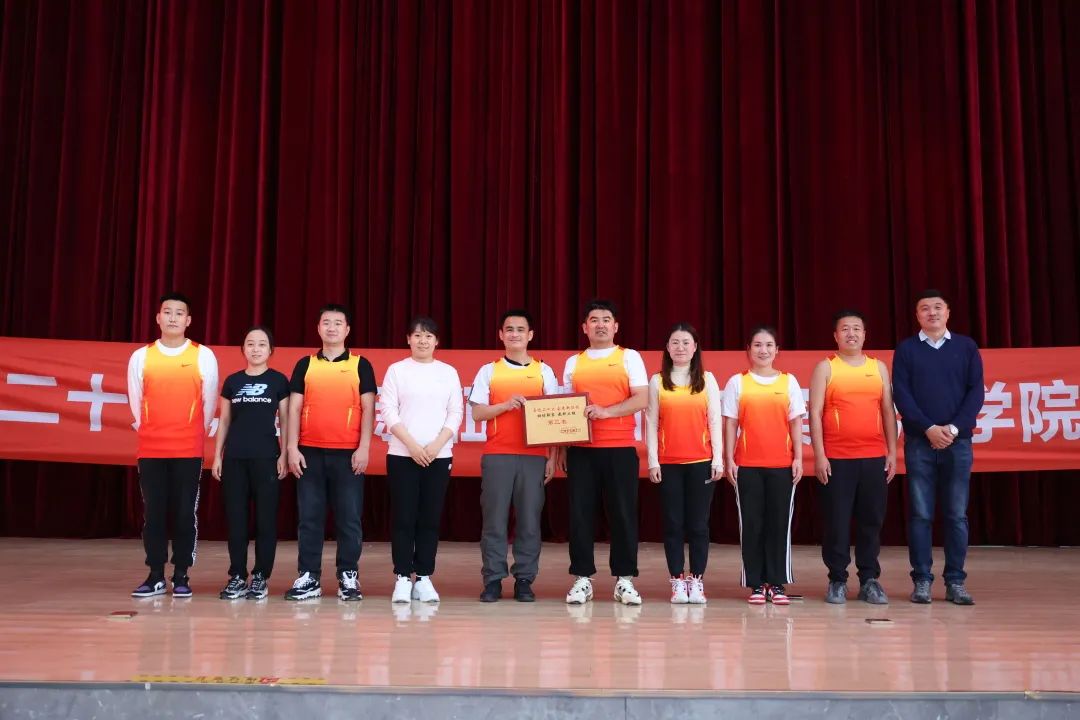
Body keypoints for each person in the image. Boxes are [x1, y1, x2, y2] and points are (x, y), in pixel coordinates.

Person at [892, 290, 984, 605]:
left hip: (959, 443)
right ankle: (922, 580)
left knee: (956, 515)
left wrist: (953, 429)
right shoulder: (906, 349)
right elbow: (902, 394)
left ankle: (955, 581)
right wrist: (928, 428)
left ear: (948, 312)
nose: (931, 313)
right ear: (917, 315)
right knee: (920, 514)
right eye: (924, 309)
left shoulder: (966, 347)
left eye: (937, 307)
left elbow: (976, 392)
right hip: (920, 442)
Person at [127, 292, 219, 598]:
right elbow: (136, 402)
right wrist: (150, 429)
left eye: (179, 313)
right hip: (151, 448)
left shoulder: (202, 355)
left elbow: (208, 403)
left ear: (188, 320)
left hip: (188, 449)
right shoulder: (141, 357)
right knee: (153, 513)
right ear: (158, 318)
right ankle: (155, 574)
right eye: (167, 312)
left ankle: (181, 574)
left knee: (184, 513)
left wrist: (192, 432)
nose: (173, 318)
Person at [559, 299, 649, 606]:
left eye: (606, 319)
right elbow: (564, 409)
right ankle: (582, 578)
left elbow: (641, 399)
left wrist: (607, 412)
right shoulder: (574, 362)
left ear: (615, 326)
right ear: (584, 328)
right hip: (581, 450)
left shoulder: (629, 357)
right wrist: (562, 447)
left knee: (623, 515)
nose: (600, 325)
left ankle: (624, 579)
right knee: (580, 515)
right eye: (594, 320)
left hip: (620, 449)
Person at [284, 304, 376, 601]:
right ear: (318, 328)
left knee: (349, 518)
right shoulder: (306, 364)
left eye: (338, 323)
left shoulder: (361, 365)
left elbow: (368, 409)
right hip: (309, 452)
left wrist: (364, 447)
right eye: (326, 322)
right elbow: (294, 408)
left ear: (347, 330)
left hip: (348, 454)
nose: (332, 328)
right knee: (309, 517)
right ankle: (308, 576)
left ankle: (348, 575)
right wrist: (292, 447)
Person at [469, 310, 560, 602]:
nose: (515, 334)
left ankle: (524, 579)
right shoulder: (489, 371)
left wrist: (552, 457)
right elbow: (477, 413)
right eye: (509, 329)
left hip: (534, 456)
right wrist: (505, 405)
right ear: (501, 335)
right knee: (494, 521)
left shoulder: (544, 371)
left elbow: (555, 417)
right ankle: (493, 579)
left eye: (521, 329)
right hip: (498, 454)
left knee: (529, 521)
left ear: (530, 335)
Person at [809, 310, 897, 605]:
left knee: (871, 520)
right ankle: (837, 579)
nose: (851, 334)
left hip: (873, 457)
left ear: (864, 334)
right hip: (836, 459)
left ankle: (869, 579)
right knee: (837, 522)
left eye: (857, 328)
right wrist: (820, 456)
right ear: (836, 336)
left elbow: (887, 411)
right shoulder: (826, 367)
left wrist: (892, 452)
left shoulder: (878, 367)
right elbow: (815, 413)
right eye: (845, 329)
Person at [381, 316, 464, 604]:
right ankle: (403, 577)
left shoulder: (448, 373)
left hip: (438, 457)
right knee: (404, 517)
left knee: (429, 518)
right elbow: (388, 411)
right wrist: (413, 446)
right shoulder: (396, 371)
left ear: (437, 341)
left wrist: (436, 446)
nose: (423, 341)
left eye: (428, 336)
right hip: (402, 454)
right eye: (417, 335)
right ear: (408, 339)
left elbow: (456, 412)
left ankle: (424, 576)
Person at [722, 326, 805, 605]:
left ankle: (777, 583)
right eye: (757, 345)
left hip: (782, 465)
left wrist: (797, 457)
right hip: (747, 465)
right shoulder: (738, 382)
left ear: (777, 350)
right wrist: (729, 459)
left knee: (779, 524)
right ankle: (756, 584)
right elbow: (731, 423)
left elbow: (795, 422)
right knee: (752, 524)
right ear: (748, 350)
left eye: (769, 345)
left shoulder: (789, 382)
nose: (763, 350)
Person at [645, 323, 723, 604]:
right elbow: (651, 422)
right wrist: (653, 461)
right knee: (673, 524)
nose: (680, 347)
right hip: (669, 464)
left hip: (701, 462)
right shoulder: (657, 381)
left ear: (695, 348)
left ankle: (697, 580)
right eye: (675, 342)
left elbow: (714, 421)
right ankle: (677, 580)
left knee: (698, 525)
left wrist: (718, 459)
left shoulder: (707, 379)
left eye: (686, 342)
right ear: (667, 348)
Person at [212, 326, 290, 600]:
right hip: (235, 459)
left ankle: (260, 577)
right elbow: (224, 421)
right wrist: (217, 455)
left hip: (267, 458)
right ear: (243, 349)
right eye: (250, 344)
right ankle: (237, 575)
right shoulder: (232, 381)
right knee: (237, 520)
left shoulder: (278, 381)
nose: (256, 349)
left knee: (266, 521)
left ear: (271, 350)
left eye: (262, 344)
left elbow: (286, 420)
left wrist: (284, 454)